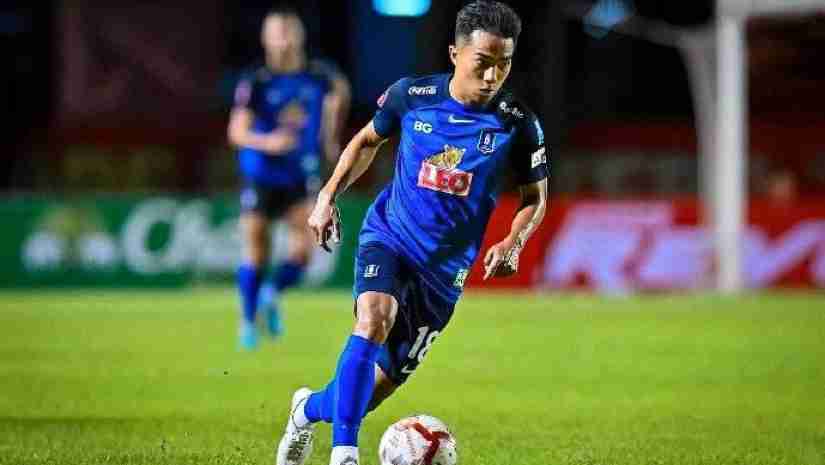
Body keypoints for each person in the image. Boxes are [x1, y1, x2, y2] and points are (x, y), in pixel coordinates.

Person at [275, 2, 549, 464]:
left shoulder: (518, 123)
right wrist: (327, 196)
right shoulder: (412, 95)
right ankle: (345, 453)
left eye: (504, 64)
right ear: (455, 54)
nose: (493, 76)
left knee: (366, 394)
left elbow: (534, 198)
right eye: (483, 62)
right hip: (391, 236)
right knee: (374, 318)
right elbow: (367, 140)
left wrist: (513, 241)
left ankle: (305, 410)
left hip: (443, 273)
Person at [228, 6, 350, 350]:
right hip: (261, 175)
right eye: (276, 33)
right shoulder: (256, 82)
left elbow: (340, 91)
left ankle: (271, 293)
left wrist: (330, 134)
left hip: (300, 175)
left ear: (300, 36)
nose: (283, 40)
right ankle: (248, 322)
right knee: (257, 252)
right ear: (265, 39)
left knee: (304, 252)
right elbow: (236, 131)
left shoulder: (319, 75)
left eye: (288, 32)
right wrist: (268, 142)